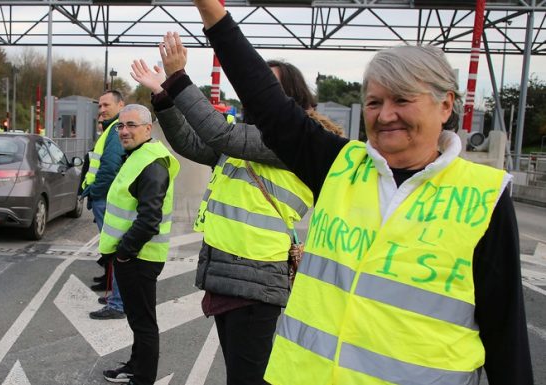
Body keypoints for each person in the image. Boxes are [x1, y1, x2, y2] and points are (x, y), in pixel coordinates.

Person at [190, 1, 534, 383]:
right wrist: (212, 13)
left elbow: (506, 336)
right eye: (374, 102)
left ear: (445, 105)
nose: (386, 115)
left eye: (402, 99)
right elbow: (268, 102)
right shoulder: (340, 165)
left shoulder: (483, 196)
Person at [131, 37, 342, 385]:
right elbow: (192, 142)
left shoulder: (297, 140)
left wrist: (178, 78)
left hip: (255, 277)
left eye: (266, 86)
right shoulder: (250, 139)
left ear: (290, 98)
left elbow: (217, 132)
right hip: (230, 273)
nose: (254, 91)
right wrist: (162, 97)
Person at [99, 104, 179, 385]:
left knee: (144, 322)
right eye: (121, 126)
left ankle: (143, 378)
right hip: (134, 255)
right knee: (137, 319)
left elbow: (149, 219)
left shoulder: (152, 163)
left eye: (131, 125)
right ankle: (135, 365)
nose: (124, 131)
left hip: (140, 257)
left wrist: (124, 253)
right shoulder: (138, 156)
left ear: (148, 128)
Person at [81, 90, 127, 320]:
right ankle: (116, 299)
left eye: (106, 105)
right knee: (114, 250)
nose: (102, 109)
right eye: (99, 106)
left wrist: (95, 193)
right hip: (105, 199)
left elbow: (109, 167)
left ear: (121, 105)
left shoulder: (117, 129)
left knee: (117, 251)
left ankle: (118, 304)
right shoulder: (112, 128)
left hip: (106, 200)